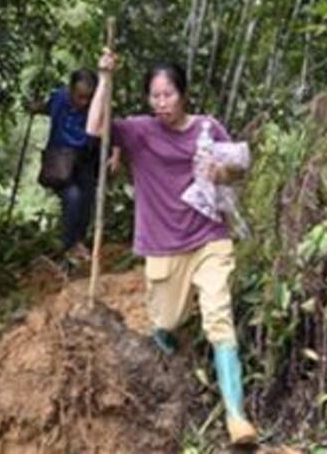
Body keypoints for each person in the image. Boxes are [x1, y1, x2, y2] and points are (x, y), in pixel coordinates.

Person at [86, 52, 257, 446]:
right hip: (163, 246)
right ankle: (166, 339)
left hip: (209, 237)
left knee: (219, 316)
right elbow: (95, 129)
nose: (162, 103)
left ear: (183, 95)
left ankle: (237, 417)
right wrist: (105, 79)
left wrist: (222, 172)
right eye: (155, 96)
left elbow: (238, 168)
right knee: (167, 319)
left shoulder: (208, 128)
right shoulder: (140, 132)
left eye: (168, 94)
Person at [30, 69, 102, 262]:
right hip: (60, 161)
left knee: (86, 200)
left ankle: (78, 241)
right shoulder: (59, 98)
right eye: (80, 97)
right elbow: (46, 107)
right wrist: (35, 107)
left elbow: (109, 126)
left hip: (85, 159)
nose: (83, 103)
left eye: (88, 98)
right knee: (73, 197)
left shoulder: (96, 108)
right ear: (70, 90)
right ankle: (69, 244)